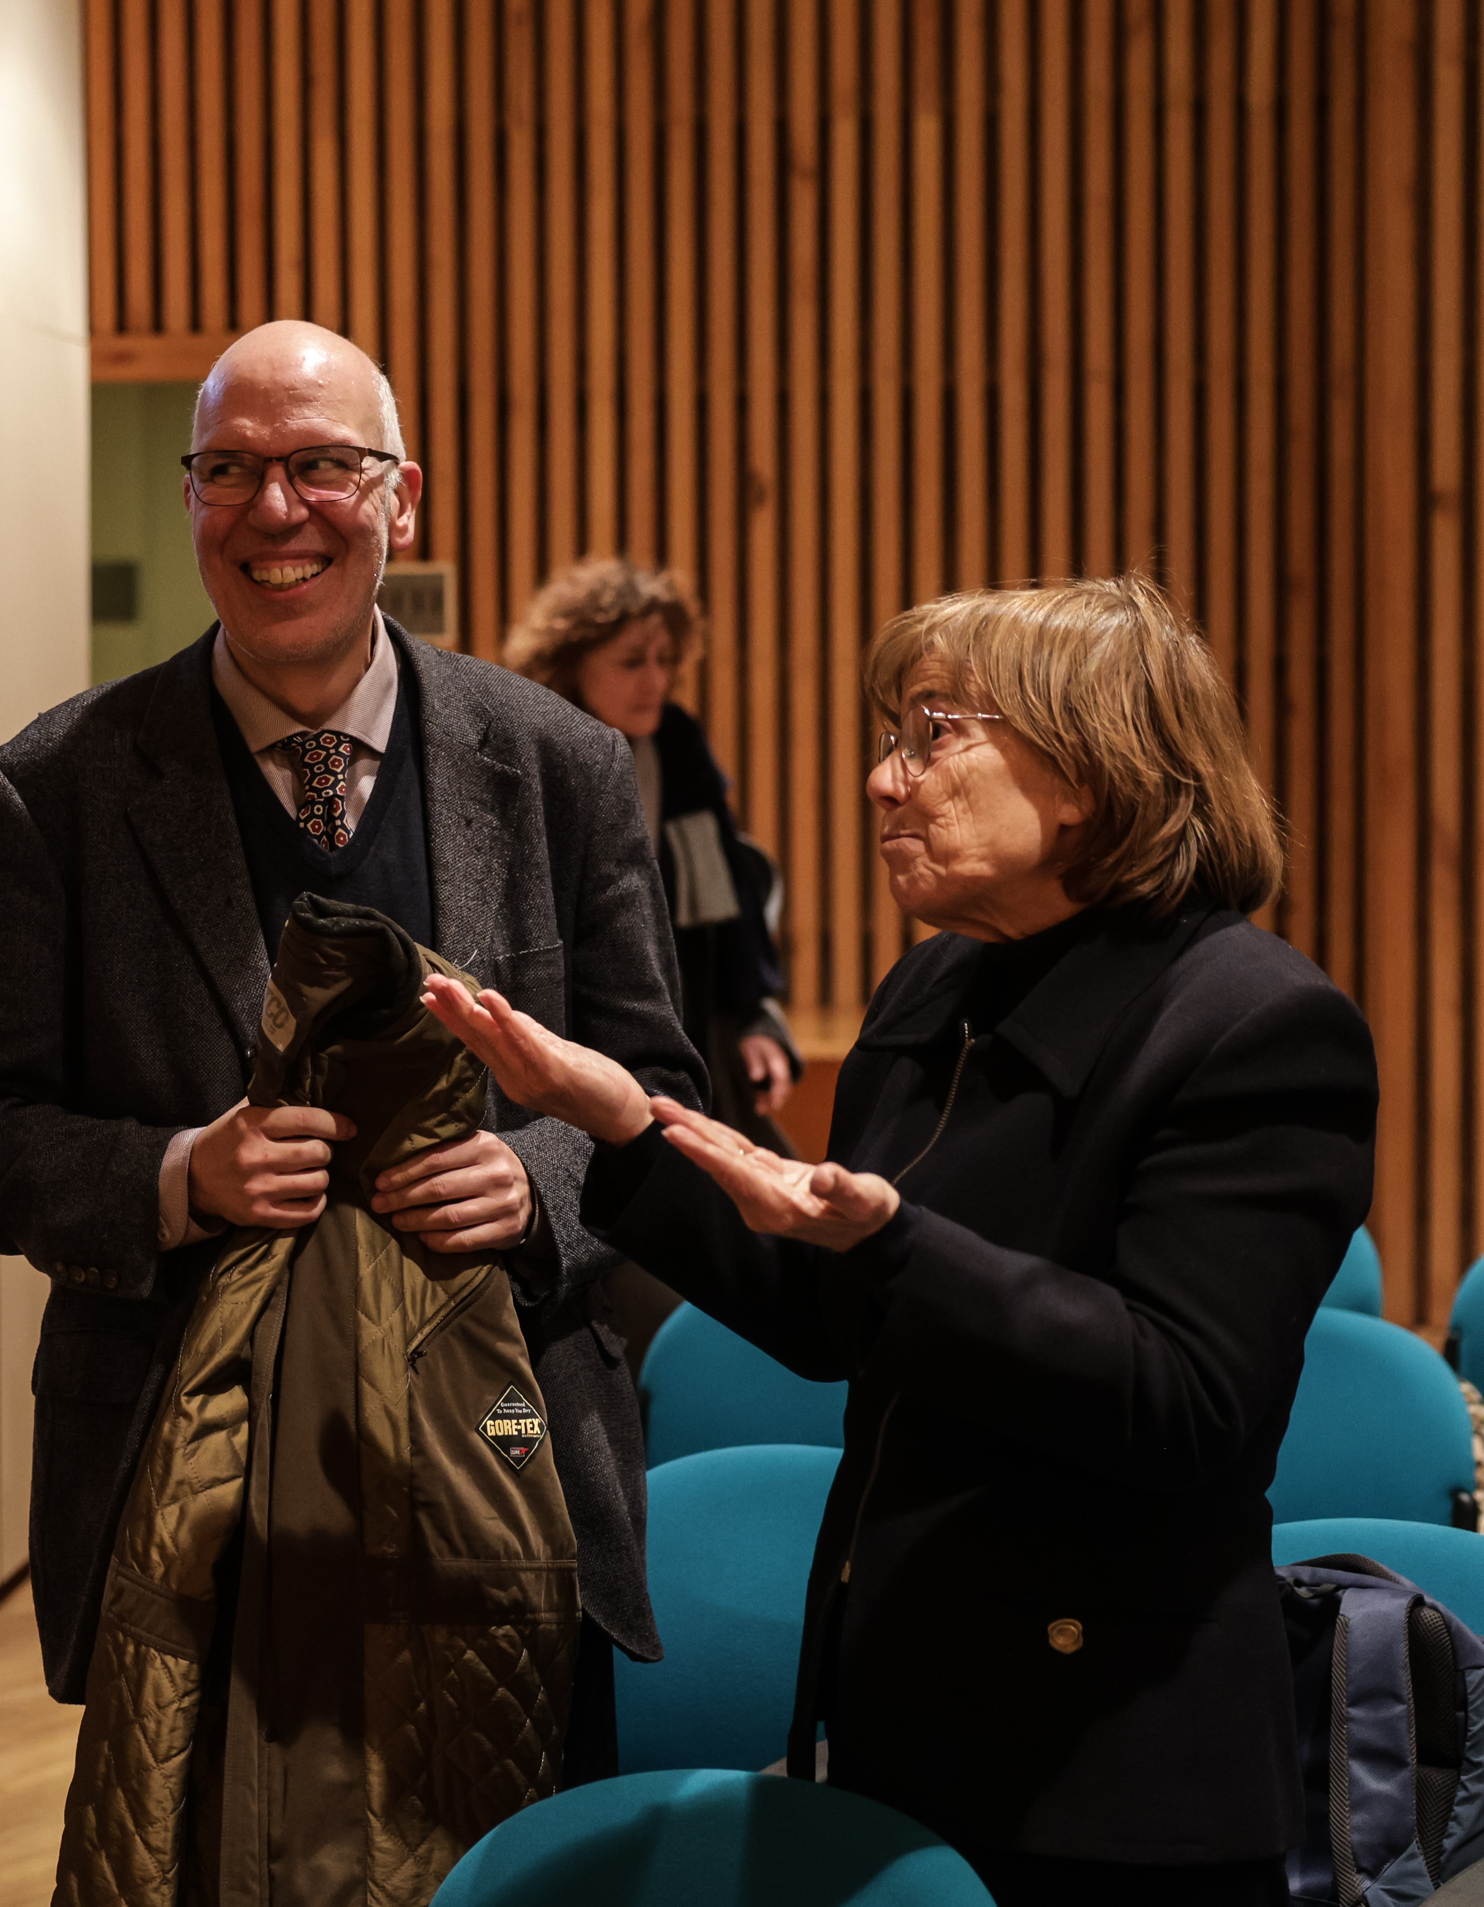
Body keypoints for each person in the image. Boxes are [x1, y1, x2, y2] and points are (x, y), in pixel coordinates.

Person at [425, 575, 1377, 1907]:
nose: (885, 780)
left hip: (1113, 1767)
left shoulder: (1255, 1024)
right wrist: (624, 1128)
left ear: (1089, 772)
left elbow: (1188, 1399)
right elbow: (831, 1315)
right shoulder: (938, 984)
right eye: (891, 736)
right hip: (902, 1717)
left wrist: (898, 1246)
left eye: (934, 733)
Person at [0, 320, 704, 1895]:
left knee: (512, 1869)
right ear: (192, 497)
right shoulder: (48, 791)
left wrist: (536, 1180)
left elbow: (656, 1091)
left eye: (323, 464)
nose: (279, 508)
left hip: (506, 1470)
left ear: (402, 496)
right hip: (184, 1492)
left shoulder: (559, 768)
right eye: (231, 469)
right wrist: (173, 1171)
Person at [506, 558, 798, 1150]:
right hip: (558, 1017)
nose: (655, 680)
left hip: (676, 1015)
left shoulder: (679, 746)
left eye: (665, 660)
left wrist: (754, 1018)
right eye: (633, 661)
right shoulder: (528, 744)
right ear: (571, 662)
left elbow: (731, 904)